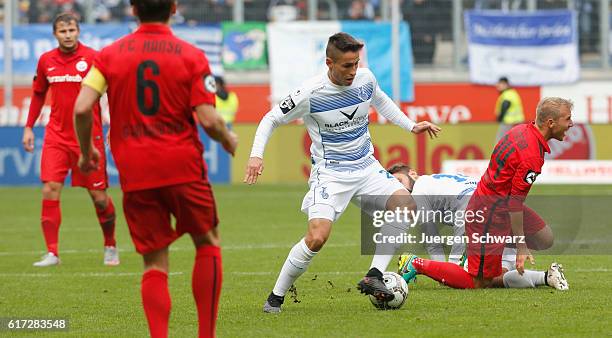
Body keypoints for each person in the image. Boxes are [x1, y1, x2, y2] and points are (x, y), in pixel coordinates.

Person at [244, 32, 441, 313]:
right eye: (347, 65)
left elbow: (381, 100)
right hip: (330, 175)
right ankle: (276, 297)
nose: (353, 71)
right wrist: (255, 155)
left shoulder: (365, 79)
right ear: (329, 63)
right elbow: (271, 118)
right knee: (317, 237)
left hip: (367, 168)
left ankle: (374, 275)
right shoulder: (310, 93)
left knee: (406, 205)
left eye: (356, 63)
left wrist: (411, 126)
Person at [73, 0, 238, 336]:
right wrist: (227, 138)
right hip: (182, 165)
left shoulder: (108, 56)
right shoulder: (192, 55)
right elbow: (208, 118)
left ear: (133, 9)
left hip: (135, 170)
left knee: (153, 260)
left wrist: (87, 149)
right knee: (207, 241)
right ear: (174, 8)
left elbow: (81, 108)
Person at [398, 97, 574, 290]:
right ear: (551, 123)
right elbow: (515, 204)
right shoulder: (531, 155)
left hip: (499, 205)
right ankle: (415, 263)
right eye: (567, 119)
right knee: (479, 282)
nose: (571, 124)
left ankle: (483, 255)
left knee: (544, 237)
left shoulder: (520, 130)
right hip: (488, 214)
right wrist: (521, 245)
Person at [22, 13, 119, 267]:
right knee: (50, 188)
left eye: (72, 30)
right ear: (55, 34)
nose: (68, 35)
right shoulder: (46, 61)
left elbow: (113, 90)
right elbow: (38, 94)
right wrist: (28, 127)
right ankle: (52, 252)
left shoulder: (94, 58)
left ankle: (110, 244)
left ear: (78, 32)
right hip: (56, 135)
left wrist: (115, 123)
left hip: (89, 138)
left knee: (98, 197)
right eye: (63, 31)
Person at [388, 164, 568, 290]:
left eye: (399, 181)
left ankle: (414, 263)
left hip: (474, 212)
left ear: (412, 174)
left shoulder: (419, 190)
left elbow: (432, 238)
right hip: (497, 202)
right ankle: (547, 277)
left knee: (466, 278)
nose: (399, 189)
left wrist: (443, 270)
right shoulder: (436, 182)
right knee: (502, 272)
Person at [494, 76, 525, 142]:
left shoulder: (507, 94)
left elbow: (505, 104)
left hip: (508, 122)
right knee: (518, 142)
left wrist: (500, 117)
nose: (498, 86)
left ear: (506, 84)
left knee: (500, 141)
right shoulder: (513, 93)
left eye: (500, 84)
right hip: (518, 123)